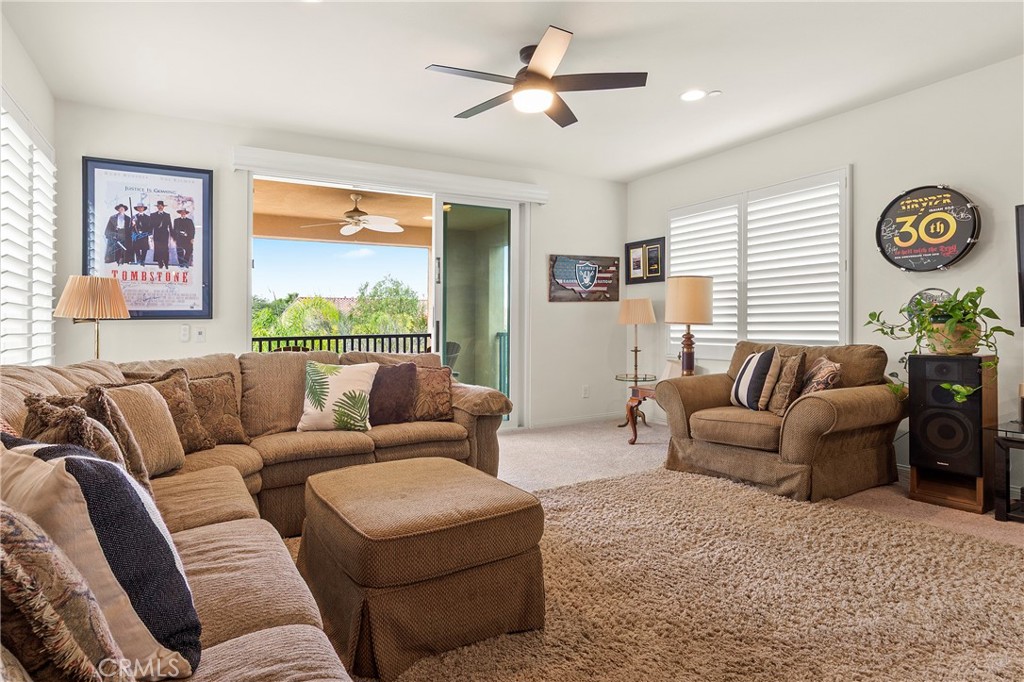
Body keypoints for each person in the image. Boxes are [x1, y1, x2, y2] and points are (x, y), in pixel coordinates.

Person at [150, 200, 173, 269]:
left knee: (165, 248)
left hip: (165, 234)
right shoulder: (153, 215)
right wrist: (151, 234)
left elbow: (170, 226)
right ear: (157, 207)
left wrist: (172, 235)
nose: (160, 207)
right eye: (158, 206)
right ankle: (160, 263)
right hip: (157, 234)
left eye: (161, 206)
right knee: (158, 248)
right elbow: (151, 225)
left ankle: (166, 262)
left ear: (163, 207)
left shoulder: (167, 215)